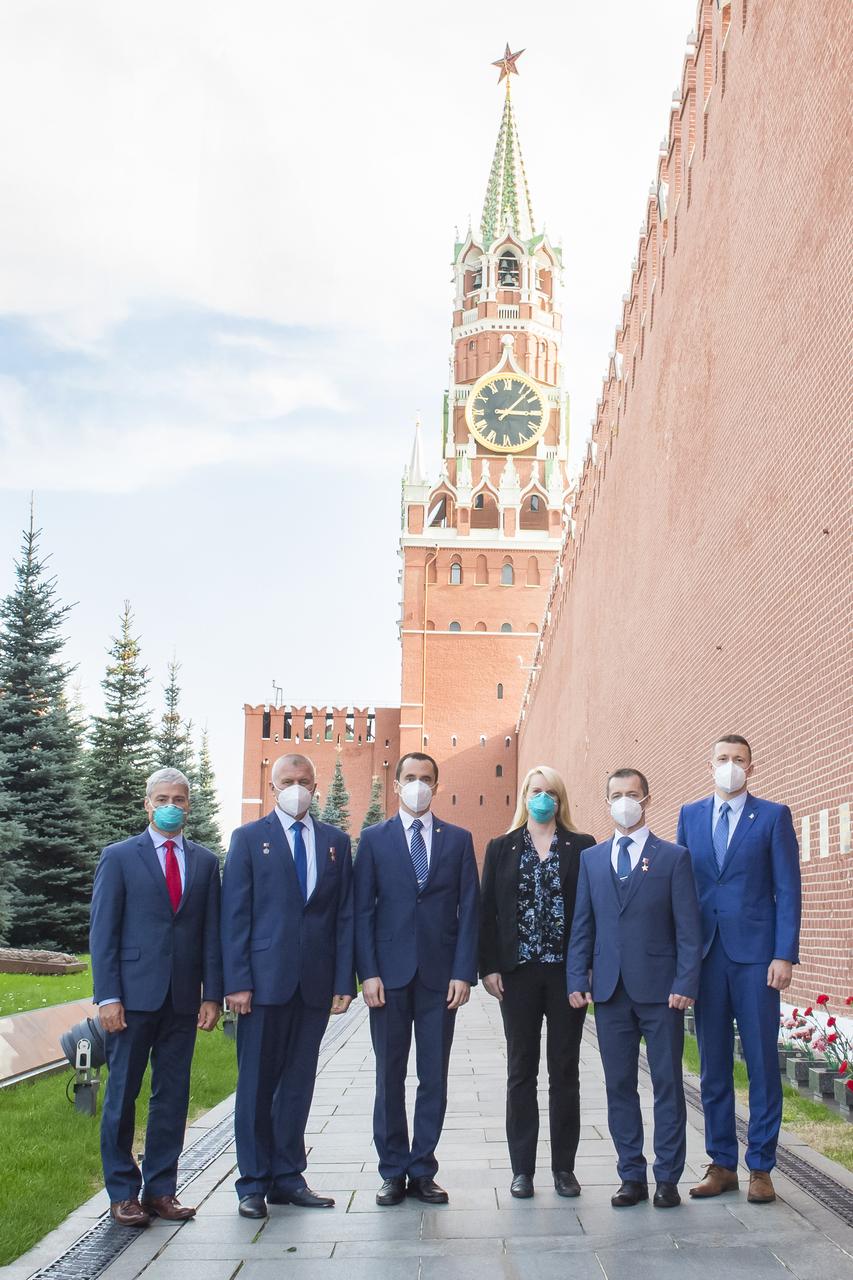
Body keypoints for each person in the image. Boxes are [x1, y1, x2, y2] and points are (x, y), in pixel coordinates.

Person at [221, 753, 355, 1219]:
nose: (296, 787)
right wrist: (236, 981)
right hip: (260, 986)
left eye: (303, 780)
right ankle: (252, 1183)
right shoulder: (248, 839)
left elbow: (343, 917)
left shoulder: (336, 842)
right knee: (256, 1086)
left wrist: (344, 980)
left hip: (314, 986)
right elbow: (234, 916)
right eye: (287, 781)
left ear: (314, 785)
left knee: (298, 1084)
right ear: (273, 786)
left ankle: (288, 1177)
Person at [90, 767, 223, 1228]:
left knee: (172, 1096)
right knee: (122, 1095)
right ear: (147, 804)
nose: (172, 805)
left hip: (183, 1000)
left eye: (180, 799)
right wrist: (107, 996)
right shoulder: (120, 857)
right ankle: (123, 1192)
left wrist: (213, 995)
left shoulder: (205, 863)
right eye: (163, 798)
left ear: (189, 805)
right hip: (131, 999)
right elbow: (103, 933)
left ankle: (161, 1189)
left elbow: (210, 934)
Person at [567, 768, 701, 1210]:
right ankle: (631, 1175)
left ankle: (667, 1177)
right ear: (607, 801)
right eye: (616, 795)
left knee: (667, 1084)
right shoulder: (593, 859)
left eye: (632, 794)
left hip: (662, 992)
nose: (624, 801)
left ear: (647, 799)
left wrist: (685, 982)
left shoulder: (673, 858)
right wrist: (576, 977)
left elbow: (688, 930)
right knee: (619, 1085)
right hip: (609, 993)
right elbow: (582, 925)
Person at [677, 734, 801, 1205]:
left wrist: (784, 953)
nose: (730, 767)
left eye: (739, 760)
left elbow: (788, 888)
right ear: (710, 764)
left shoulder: (772, 816)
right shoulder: (689, 816)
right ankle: (722, 1163)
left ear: (752, 767)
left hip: (756, 960)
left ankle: (761, 1168)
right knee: (711, 1066)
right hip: (707, 958)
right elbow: (683, 890)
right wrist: (683, 959)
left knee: (763, 1064)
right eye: (723, 759)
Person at [354, 752, 479, 1207]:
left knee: (433, 1077)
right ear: (396, 785)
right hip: (387, 979)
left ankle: (423, 1169)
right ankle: (392, 1170)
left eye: (426, 779)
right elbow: (362, 911)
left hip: (438, 980)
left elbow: (470, 912)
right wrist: (367, 973)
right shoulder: (373, 839)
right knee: (389, 1076)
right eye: (410, 778)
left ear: (437, 785)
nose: (418, 785)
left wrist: (464, 972)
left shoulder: (459, 840)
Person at [480, 765, 595, 1199]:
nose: (542, 797)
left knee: (565, 1069)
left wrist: (588, 966)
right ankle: (522, 1170)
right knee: (520, 1069)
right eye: (535, 790)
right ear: (524, 796)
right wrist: (488, 966)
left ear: (560, 799)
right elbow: (487, 909)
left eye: (550, 792)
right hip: (518, 974)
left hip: (566, 974)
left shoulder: (582, 847)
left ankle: (564, 1168)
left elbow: (592, 911)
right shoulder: (501, 847)